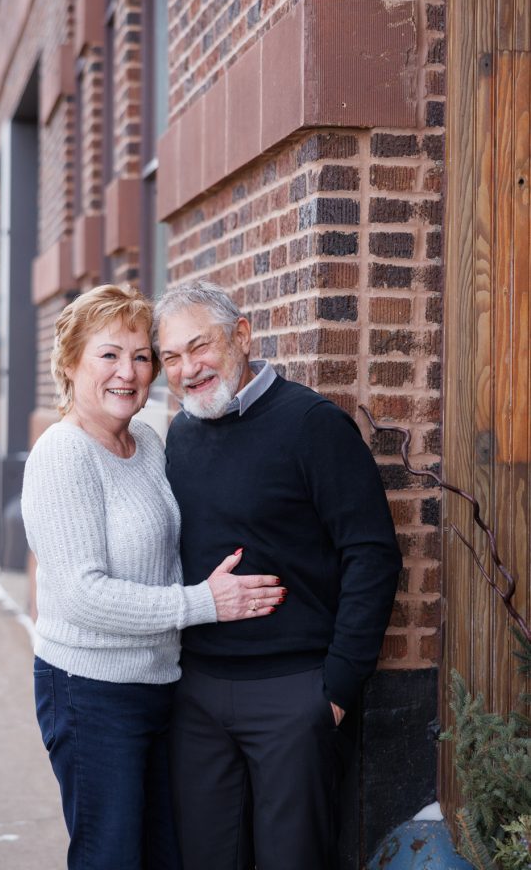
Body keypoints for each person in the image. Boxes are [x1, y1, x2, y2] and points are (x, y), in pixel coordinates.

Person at [20, 284, 285, 870]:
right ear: (69, 365)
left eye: (141, 356)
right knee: (111, 855)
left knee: (166, 853)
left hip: (161, 685)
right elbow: (83, 595)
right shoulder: (63, 455)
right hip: (91, 692)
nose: (129, 371)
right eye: (109, 355)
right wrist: (203, 604)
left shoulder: (145, 443)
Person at [152, 280, 403, 870]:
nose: (188, 369)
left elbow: (372, 554)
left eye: (200, 347)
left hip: (294, 695)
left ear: (241, 336)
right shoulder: (180, 435)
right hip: (198, 696)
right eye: (171, 357)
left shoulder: (311, 424)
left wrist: (336, 690)